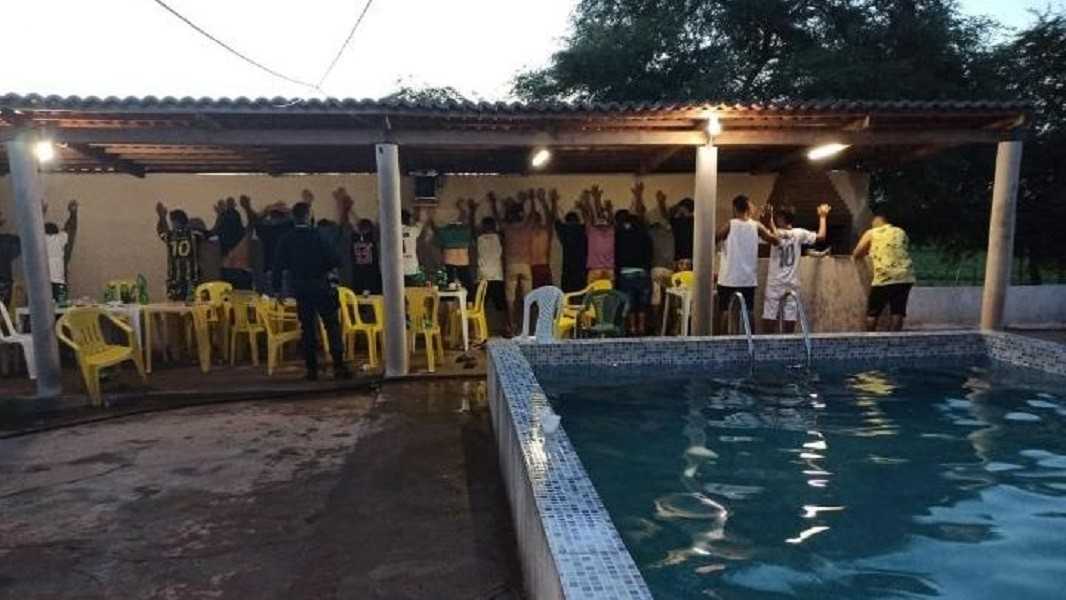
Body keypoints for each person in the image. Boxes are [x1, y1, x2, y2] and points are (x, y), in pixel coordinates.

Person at [272, 202, 349, 381]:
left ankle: (312, 370)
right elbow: (336, 260)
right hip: (321, 285)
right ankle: (338, 365)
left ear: (294, 217)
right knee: (331, 325)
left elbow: (277, 266)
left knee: (307, 329)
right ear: (309, 216)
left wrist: (277, 290)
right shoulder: (320, 236)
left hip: (301, 288)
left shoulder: (287, 239)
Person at [762, 203, 830, 333]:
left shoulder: (774, 233)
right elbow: (821, 236)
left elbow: (773, 238)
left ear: (781, 218)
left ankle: (768, 342)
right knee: (790, 318)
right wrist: (823, 216)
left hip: (775, 283)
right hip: (792, 283)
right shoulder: (799, 233)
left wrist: (767, 221)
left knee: (769, 315)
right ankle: (788, 342)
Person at [715, 195, 779, 334]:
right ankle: (751, 339)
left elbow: (714, 238)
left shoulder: (730, 224)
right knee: (748, 311)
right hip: (747, 279)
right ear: (748, 207)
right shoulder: (757, 226)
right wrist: (770, 222)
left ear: (734, 208)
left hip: (728, 278)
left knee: (725, 311)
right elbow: (776, 240)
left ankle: (722, 341)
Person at [852, 203, 916, 332]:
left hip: (885, 276)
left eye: (872, 220)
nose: (871, 223)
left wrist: (869, 251)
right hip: (905, 276)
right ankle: (894, 339)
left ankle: (870, 338)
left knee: (873, 311)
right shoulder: (900, 232)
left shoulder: (872, 233)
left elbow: (856, 254)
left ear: (878, 219)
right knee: (898, 310)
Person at [490, 191, 535, 336]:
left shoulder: (507, 228)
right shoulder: (526, 227)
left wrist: (494, 203)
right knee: (528, 297)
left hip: (511, 264)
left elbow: (497, 218)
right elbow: (532, 215)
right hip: (526, 265)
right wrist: (530, 200)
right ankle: (526, 326)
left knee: (510, 298)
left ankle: (511, 325)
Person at [615, 183, 653, 335]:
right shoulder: (644, 234)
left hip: (625, 272)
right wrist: (638, 196)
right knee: (642, 303)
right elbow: (650, 252)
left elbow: (617, 254)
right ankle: (642, 327)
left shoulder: (620, 234)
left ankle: (632, 327)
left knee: (630, 302)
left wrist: (637, 196)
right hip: (642, 271)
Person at [336, 189, 382, 294]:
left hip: (358, 276)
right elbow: (374, 223)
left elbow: (346, 223)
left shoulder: (354, 237)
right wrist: (349, 209)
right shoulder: (372, 237)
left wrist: (347, 208)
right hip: (372, 276)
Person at [156, 202, 203, 301]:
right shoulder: (194, 234)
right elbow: (208, 234)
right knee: (191, 306)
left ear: (176, 222)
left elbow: (160, 231)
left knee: (174, 305)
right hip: (192, 279)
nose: (172, 224)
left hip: (174, 280)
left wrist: (161, 217)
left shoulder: (170, 236)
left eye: (172, 222)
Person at [432, 198, 476, 292]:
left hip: (451, 264)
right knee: (468, 290)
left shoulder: (445, 232)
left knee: (450, 290)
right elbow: (469, 222)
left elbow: (434, 228)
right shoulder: (465, 231)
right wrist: (467, 210)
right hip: (461, 264)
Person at [551, 193, 587, 293]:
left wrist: (553, 201)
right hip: (581, 267)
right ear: (578, 220)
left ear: (566, 221)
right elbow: (588, 219)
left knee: (567, 295)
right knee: (582, 294)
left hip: (568, 267)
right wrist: (583, 206)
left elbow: (555, 218)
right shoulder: (582, 229)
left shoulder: (563, 230)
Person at [43, 199, 78, 302]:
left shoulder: (41, 240)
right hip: (59, 282)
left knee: (41, 309)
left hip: (42, 282)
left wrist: (41, 212)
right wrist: (73, 213)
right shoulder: (60, 239)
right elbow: (71, 228)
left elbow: (33, 226)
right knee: (61, 308)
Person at [581, 185, 615, 283]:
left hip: (595, 270)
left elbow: (588, 216)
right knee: (608, 292)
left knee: (594, 293)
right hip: (609, 270)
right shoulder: (611, 232)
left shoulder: (592, 232)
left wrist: (589, 200)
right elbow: (602, 217)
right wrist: (597, 198)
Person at [476, 214, 507, 320]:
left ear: (482, 226)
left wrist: (472, 211)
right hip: (497, 276)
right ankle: (507, 325)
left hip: (482, 276)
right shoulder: (499, 237)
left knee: (479, 306)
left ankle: (478, 327)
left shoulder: (479, 238)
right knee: (501, 306)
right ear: (494, 226)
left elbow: (472, 228)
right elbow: (502, 226)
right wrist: (495, 208)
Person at [658, 194, 695, 271]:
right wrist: (661, 203)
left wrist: (661, 202)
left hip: (681, 259)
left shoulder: (680, 221)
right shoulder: (690, 222)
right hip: (685, 258)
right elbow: (665, 215)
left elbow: (665, 215)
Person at [530, 188, 555, 288]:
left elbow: (550, 218)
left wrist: (539, 200)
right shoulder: (544, 232)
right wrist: (542, 200)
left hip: (537, 266)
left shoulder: (529, 232)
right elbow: (550, 219)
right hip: (541, 266)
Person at [401, 206, 428, 286]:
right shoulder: (412, 230)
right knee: (412, 291)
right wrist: (421, 207)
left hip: (395, 270)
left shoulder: (389, 232)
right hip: (411, 267)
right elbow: (422, 221)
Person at [0, 210, 20, 307]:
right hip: (4, 282)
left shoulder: (8, 240)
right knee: (4, 311)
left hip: (4, 282)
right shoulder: (9, 241)